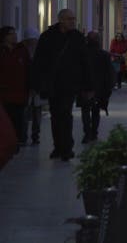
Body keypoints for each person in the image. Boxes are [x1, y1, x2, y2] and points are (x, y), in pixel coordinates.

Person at [32, 9, 92, 161]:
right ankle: (58, 146)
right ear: (61, 20)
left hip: (70, 83)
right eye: (69, 19)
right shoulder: (47, 37)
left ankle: (66, 148)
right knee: (55, 115)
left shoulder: (77, 37)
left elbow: (85, 61)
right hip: (52, 83)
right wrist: (38, 83)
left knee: (65, 113)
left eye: (73, 18)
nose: (72, 21)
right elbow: (39, 61)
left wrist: (87, 85)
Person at [81, 31, 114, 143]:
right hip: (98, 88)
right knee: (95, 111)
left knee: (85, 111)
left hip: (85, 87)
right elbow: (109, 73)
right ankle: (93, 133)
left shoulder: (82, 54)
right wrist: (108, 88)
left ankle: (87, 133)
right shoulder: (104, 55)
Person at [0, 27, 29, 152]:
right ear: (4, 36)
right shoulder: (2, 51)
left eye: (15, 33)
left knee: (19, 118)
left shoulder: (21, 50)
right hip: (4, 92)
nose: (14, 36)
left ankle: (17, 141)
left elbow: (28, 69)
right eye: (11, 34)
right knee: (7, 119)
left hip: (20, 91)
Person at [20, 28, 42, 145]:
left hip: (36, 89)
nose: (32, 43)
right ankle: (23, 135)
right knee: (25, 113)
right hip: (25, 89)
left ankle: (35, 135)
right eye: (30, 41)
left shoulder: (40, 53)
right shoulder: (22, 53)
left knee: (36, 113)